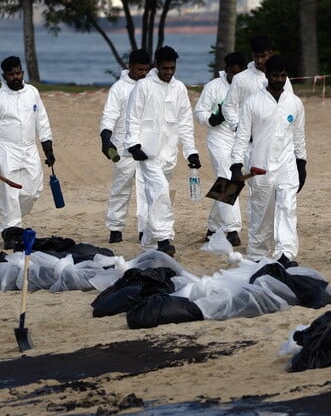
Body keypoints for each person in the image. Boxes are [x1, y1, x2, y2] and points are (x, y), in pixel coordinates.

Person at [228, 55, 307, 263]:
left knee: (287, 208)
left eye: (283, 76)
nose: (279, 80)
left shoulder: (295, 103)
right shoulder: (253, 103)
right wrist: (236, 165)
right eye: (275, 75)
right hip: (260, 167)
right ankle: (257, 254)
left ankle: (285, 254)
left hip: (287, 166)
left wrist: (301, 163)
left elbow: (299, 136)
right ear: (267, 75)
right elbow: (242, 137)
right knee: (261, 213)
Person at [124, 45, 201, 257]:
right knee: (159, 191)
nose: (169, 72)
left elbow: (185, 124)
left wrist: (191, 152)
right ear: (157, 66)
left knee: (157, 196)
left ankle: (148, 242)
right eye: (165, 68)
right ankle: (164, 239)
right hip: (147, 151)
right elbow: (132, 117)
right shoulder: (143, 87)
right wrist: (133, 144)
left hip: (170, 153)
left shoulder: (180, 89)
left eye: (172, 68)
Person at [0, 56, 54, 248]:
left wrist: (48, 148)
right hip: (7, 149)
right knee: (10, 193)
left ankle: (14, 223)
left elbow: (42, 121)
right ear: (4, 75)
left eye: (18, 72)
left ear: (23, 72)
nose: (15, 77)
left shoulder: (32, 93)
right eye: (11, 74)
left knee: (33, 190)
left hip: (29, 148)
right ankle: (11, 231)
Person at [99, 48, 151, 245]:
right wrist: (106, 139)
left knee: (147, 188)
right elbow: (109, 116)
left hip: (146, 146)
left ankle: (144, 229)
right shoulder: (119, 89)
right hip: (122, 147)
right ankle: (115, 228)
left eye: (146, 70)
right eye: (139, 70)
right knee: (121, 187)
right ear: (129, 67)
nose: (143, 74)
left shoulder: (151, 87)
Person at [194, 51, 247, 247]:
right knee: (227, 177)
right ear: (226, 71)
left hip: (241, 140)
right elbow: (199, 112)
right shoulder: (213, 87)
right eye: (231, 73)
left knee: (231, 181)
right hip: (218, 138)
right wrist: (211, 119)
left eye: (238, 74)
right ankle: (232, 230)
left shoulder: (249, 85)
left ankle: (213, 227)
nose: (235, 77)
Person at [222, 34, 294, 134]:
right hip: (250, 139)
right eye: (256, 56)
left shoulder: (281, 78)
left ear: (270, 53)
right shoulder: (240, 78)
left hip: (277, 135)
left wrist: (287, 124)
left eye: (263, 56)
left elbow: (290, 104)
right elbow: (228, 106)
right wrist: (237, 126)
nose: (259, 60)